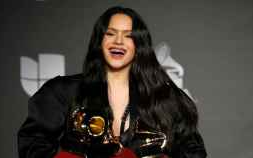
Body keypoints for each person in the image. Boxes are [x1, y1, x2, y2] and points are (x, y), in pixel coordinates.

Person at [18, 6, 207, 158]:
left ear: (139, 45)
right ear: (99, 41)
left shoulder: (166, 97)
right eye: (110, 33)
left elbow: (192, 150)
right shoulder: (62, 92)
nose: (118, 41)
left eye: (128, 35)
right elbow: (33, 143)